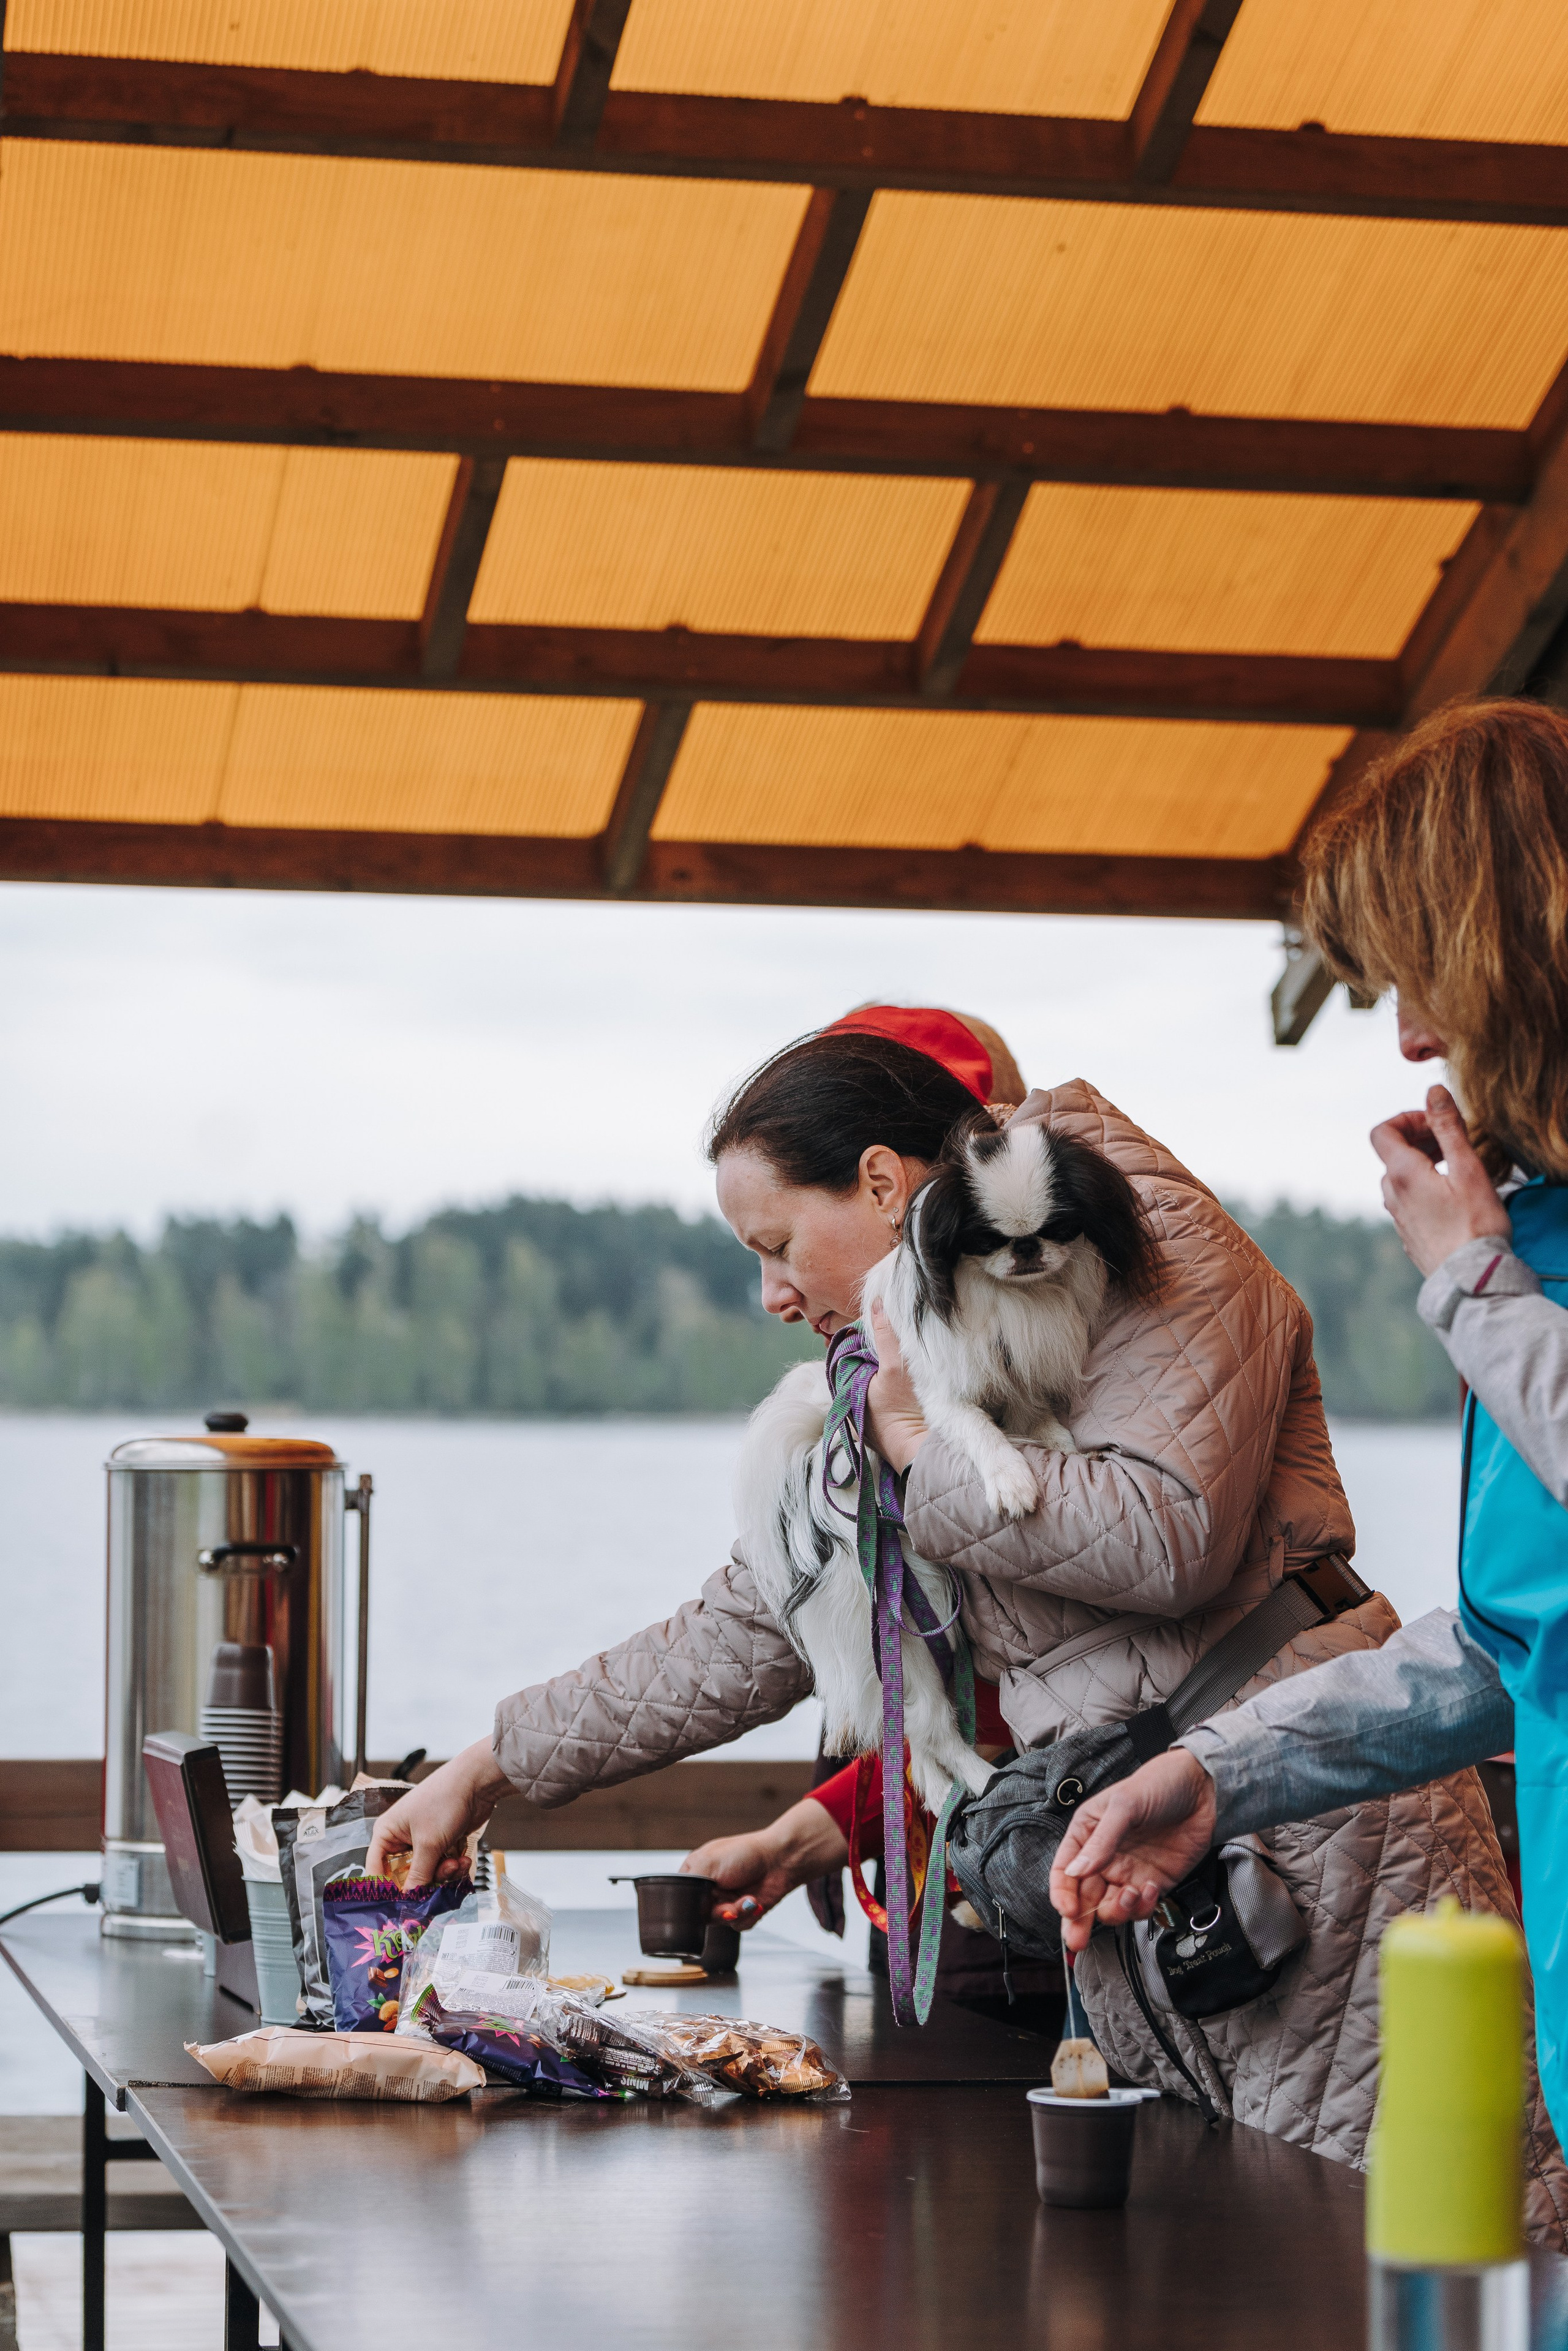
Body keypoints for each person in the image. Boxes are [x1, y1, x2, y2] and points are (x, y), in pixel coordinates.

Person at [365, 994, 1564, 2225]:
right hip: (1148, 1887)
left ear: (884, 1184)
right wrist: (486, 1766)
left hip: (1322, 1850)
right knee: (1228, 2272)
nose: (772, 1293)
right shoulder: (904, 1354)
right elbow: (755, 1621)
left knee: (1454, 2244)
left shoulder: (1139, 1223)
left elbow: (1170, 1534)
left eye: (777, 1244)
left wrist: (913, 1446)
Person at [1050, 696, 1568, 2160]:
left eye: (1418, 970)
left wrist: (1471, 1287)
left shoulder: (1496, 1274)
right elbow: (1511, 1642)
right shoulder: (1527, 1245)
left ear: (1519, 942)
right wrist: (1219, 1772)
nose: (1406, 1033)